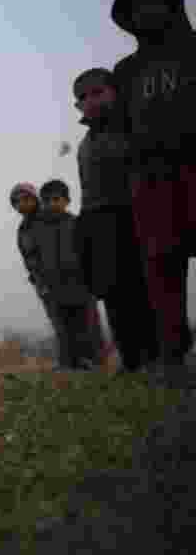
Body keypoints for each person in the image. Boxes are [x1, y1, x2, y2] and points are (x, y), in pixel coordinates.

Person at [110, 0, 196, 387]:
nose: (145, 12)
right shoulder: (126, 71)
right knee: (162, 268)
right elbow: (121, 124)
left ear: (173, 5)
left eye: (153, 2)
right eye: (136, 7)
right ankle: (173, 357)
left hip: (194, 167)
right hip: (149, 179)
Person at [72, 67, 159, 374]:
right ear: (78, 107)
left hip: (133, 215)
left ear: (115, 92)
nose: (91, 101)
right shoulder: (86, 141)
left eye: (98, 92)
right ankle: (130, 358)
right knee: (112, 292)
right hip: (97, 221)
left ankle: (157, 357)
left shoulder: (132, 126)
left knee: (142, 289)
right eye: (83, 97)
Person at [33, 179, 101, 371]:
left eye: (57, 199)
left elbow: (89, 254)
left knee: (82, 324)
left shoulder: (76, 223)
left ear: (67, 201)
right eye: (47, 200)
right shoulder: (38, 229)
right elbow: (35, 259)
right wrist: (41, 283)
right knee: (62, 327)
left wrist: (90, 280)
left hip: (79, 284)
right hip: (53, 285)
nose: (53, 204)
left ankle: (87, 360)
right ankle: (66, 362)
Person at [11, 182, 63, 351]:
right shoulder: (23, 228)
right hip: (41, 281)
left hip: (62, 278)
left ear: (35, 199)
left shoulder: (48, 218)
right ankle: (68, 360)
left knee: (72, 318)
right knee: (56, 319)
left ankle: (87, 360)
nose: (21, 204)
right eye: (16, 201)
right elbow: (28, 257)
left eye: (26, 199)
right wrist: (37, 280)